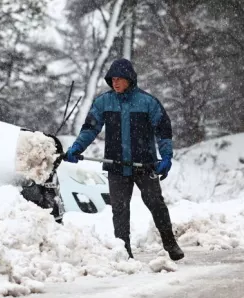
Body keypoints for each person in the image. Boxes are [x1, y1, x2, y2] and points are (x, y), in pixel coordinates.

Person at [64, 58, 184, 261]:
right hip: (116, 165)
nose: (116, 82)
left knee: (156, 203)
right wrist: (77, 148)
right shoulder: (104, 102)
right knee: (119, 210)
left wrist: (166, 156)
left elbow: (163, 130)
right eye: (113, 79)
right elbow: (91, 128)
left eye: (120, 78)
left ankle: (170, 244)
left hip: (144, 165)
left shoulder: (147, 102)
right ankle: (124, 252)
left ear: (130, 79)